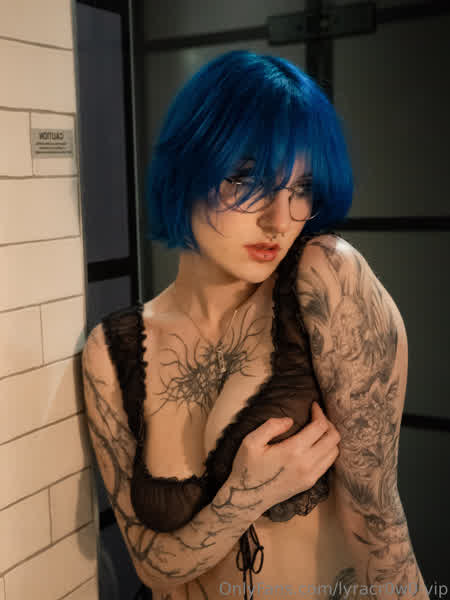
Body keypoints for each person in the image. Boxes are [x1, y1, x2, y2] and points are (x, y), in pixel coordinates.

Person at [81, 50, 429, 600]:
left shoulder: (326, 279)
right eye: (248, 179)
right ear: (188, 168)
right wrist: (243, 496)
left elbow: (379, 525)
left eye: (301, 189)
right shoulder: (112, 348)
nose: (279, 219)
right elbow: (152, 567)